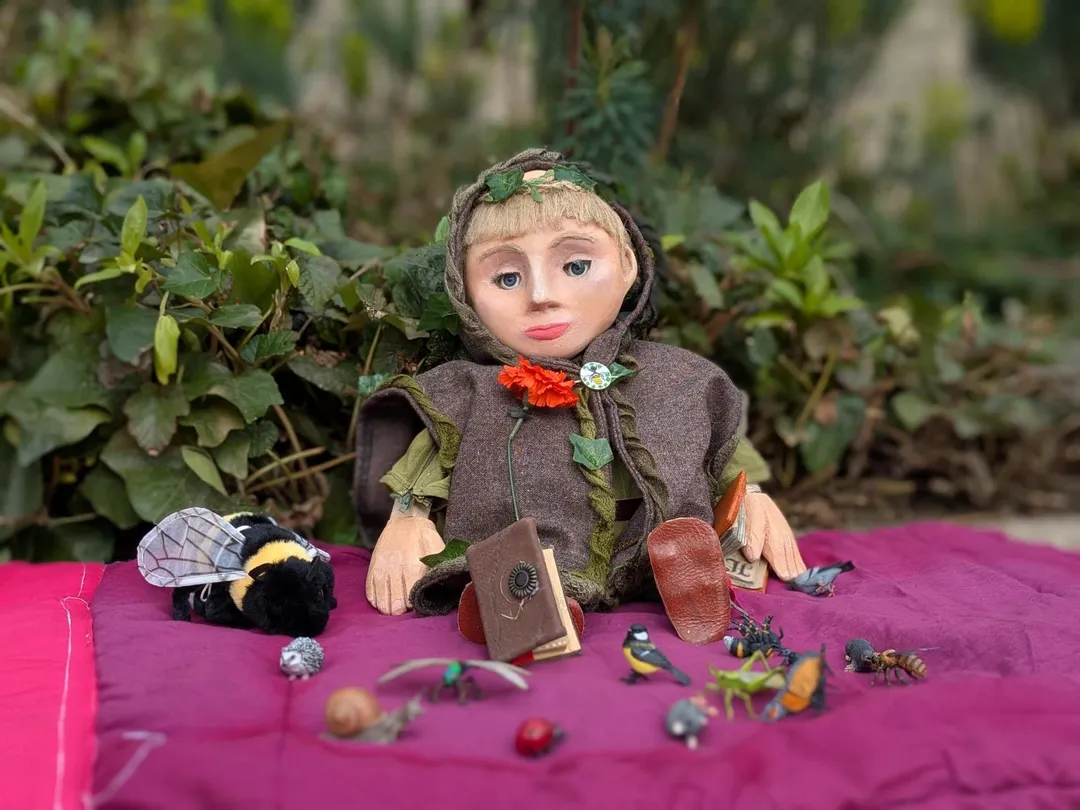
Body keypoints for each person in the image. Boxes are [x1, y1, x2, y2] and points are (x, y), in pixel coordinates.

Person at [352, 148, 806, 645]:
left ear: (628, 264)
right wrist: (407, 518)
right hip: (531, 559)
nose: (541, 295)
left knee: (675, 527)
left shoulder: (679, 379)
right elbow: (426, 464)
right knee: (519, 573)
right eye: (507, 278)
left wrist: (751, 498)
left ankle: (680, 569)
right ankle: (536, 606)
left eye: (575, 265)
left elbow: (719, 448)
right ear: (466, 294)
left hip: (651, 544)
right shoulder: (469, 392)